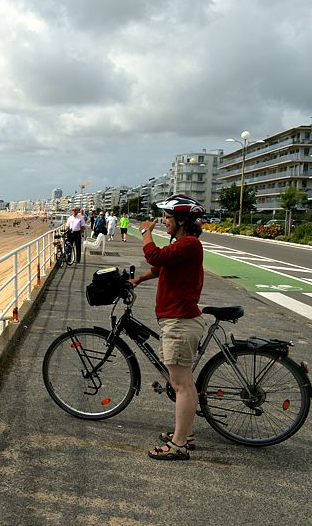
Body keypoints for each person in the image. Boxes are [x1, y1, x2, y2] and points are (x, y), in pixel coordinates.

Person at [128, 194, 206, 461]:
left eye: (168, 217)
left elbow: (155, 254)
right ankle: (187, 433)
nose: (163, 222)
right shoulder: (184, 245)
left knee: (180, 384)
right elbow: (162, 266)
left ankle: (179, 444)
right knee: (186, 382)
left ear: (182, 220)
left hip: (181, 321)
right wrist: (139, 279)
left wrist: (145, 232)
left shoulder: (190, 244)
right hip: (177, 320)